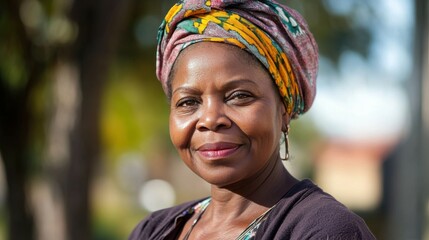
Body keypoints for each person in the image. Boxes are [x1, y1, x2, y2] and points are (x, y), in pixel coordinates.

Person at [129, 0, 376, 239]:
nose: (210, 119)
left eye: (239, 96)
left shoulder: (325, 231)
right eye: (188, 102)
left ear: (284, 110)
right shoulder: (154, 231)